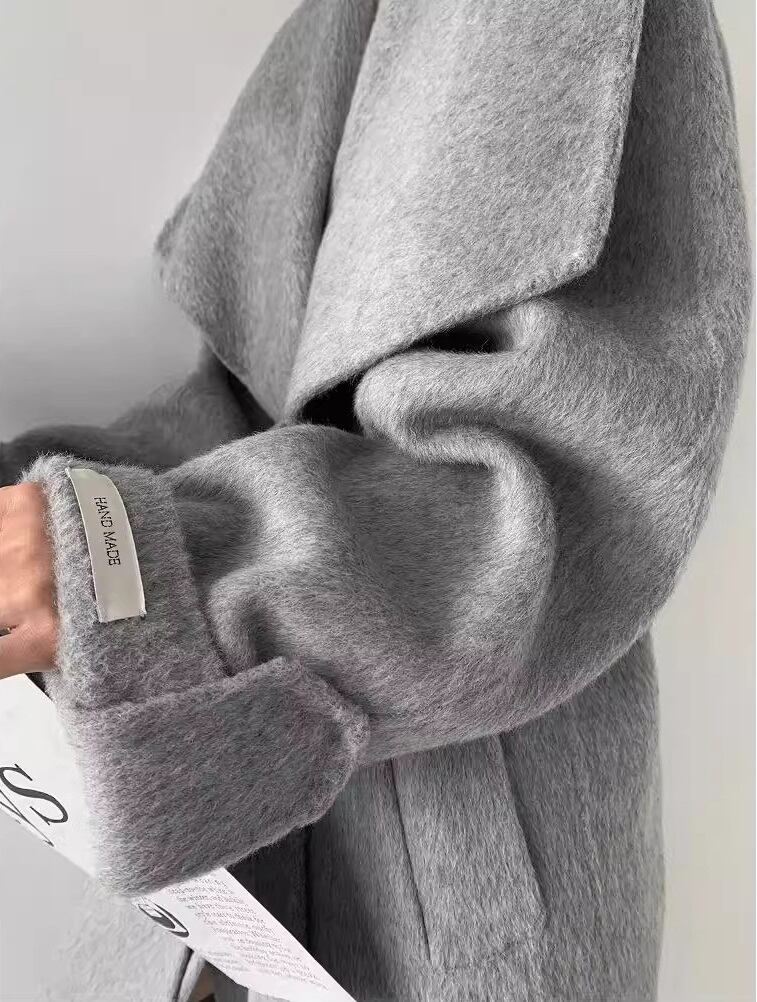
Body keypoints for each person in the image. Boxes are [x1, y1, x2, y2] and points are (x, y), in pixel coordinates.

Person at [0, 1, 750, 1000]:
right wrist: (54, 523)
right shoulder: (344, 26)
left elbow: (552, 488)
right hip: (272, 899)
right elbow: (248, 415)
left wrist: (114, 568)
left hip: (452, 904)